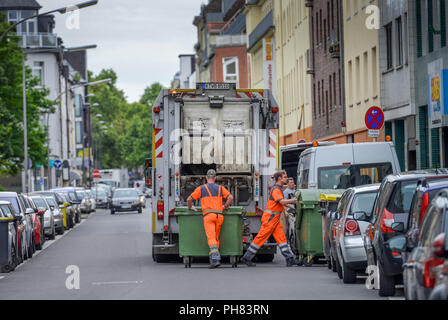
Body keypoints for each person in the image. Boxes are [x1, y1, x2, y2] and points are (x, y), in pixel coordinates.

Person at [241, 170, 297, 267]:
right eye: (285, 176)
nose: (286, 178)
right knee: (260, 238)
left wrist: (293, 207)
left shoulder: (278, 189)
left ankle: (289, 259)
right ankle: (247, 258)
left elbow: (281, 203)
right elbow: (282, 202)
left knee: (281, 238)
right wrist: (294, 200)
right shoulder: (276, 189)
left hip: (273, 219)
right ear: (279, 178)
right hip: (270, 219)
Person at [187, 169, 234, 269]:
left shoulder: (202, 188)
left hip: (209, 216)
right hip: (219, 216)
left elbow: (189, 199)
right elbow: (230, 197)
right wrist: (225, 206)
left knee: (211, 238)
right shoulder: (221, 188)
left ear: (206, 178)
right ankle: (213, 260)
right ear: (215, 178)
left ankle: (216, 258)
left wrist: (190, 207)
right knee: (216, 238)